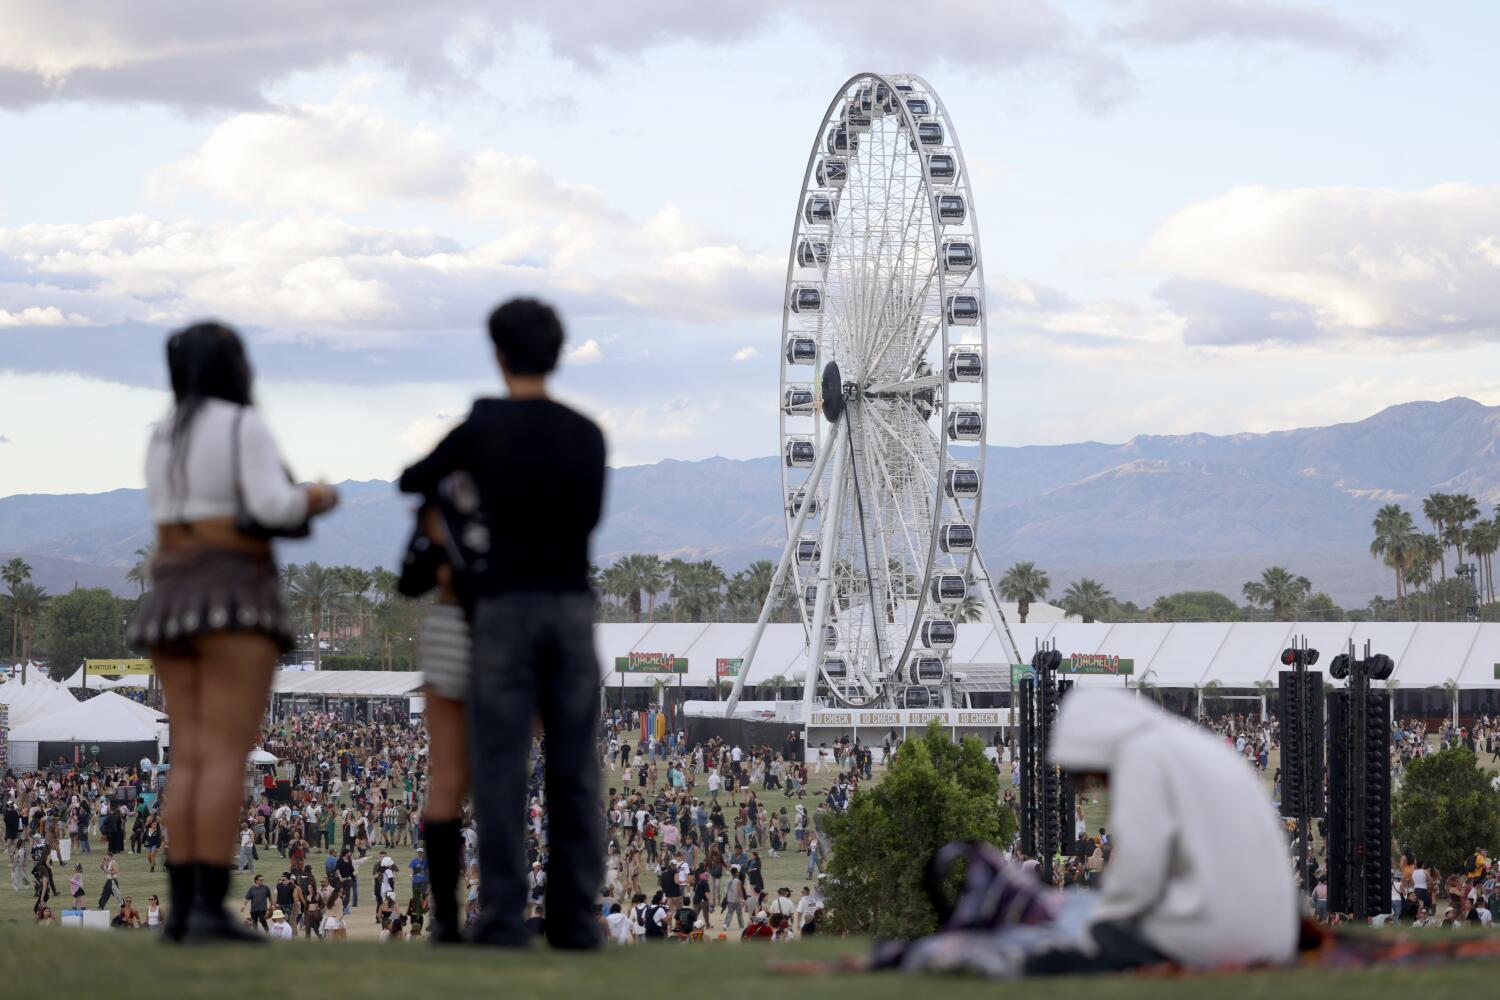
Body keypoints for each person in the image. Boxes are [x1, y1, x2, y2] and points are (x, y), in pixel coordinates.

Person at [399, 298, 606, 950]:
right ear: (558, 353)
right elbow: (590, 517)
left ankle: (503, 915)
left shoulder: (483, 426)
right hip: (570, 604)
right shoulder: (586, 433)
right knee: (574, 765)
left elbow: (414, 479)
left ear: (498, 354)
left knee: (500, 765)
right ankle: (574, 919)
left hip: (503, 607)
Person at [128, 322, 339, 943]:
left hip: (171, 592)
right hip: (232, 591)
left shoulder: (164, 434)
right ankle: (208, 906)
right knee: (225, 752)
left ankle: (183, 907)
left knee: (190, 753)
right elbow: (274, 507)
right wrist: (318, 496)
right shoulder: (242, 425)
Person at [1046, 689, 1298, 970]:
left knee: (1075, 935)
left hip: (1219, 937)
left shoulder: (1141, 754)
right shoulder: (1192, 744)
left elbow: (1139, 872)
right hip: (1274, 935)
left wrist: (1095, 921)